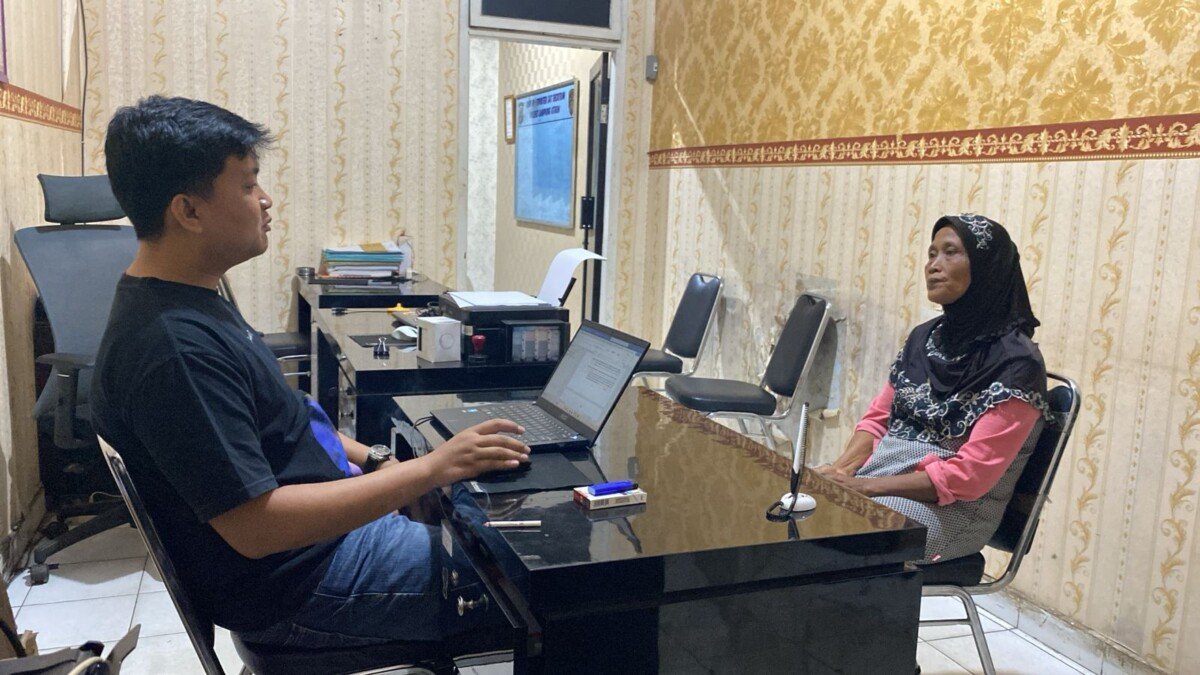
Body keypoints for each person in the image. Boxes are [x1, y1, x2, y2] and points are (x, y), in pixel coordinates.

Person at [91, 95, 530, 648]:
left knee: (496, 501)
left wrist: (380, 461)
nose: (265, 199)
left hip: (315, 547)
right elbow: (258, 528)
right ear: (189, 212)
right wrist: (428, 470)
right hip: (304, 584)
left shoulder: (191, 299)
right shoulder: (173, 349)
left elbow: (287, 416)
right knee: (532, 576)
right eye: (248, 184)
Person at [815, 213, 1051, 565]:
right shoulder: (924, 338)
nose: (933, 265)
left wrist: (863, 488)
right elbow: (878, 421)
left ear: (986, 267)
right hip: (882, 478)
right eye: (931, 253)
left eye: (950, 252)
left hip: (955, 510)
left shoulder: (1016, 363)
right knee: (794, 504)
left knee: (841, 534)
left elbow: (968, 477)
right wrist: (841, 471)